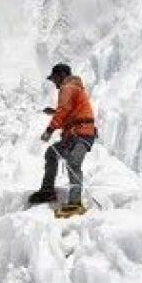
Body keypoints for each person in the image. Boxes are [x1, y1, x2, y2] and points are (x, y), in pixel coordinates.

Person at [29, 63, 97, 217]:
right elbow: (69, 113)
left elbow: (64, 111)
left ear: (61, 75)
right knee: (52, 153)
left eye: (54, 79)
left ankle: (75, 203)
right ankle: (48, 191)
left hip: (82, 134)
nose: (54, 83)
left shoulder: (68, 87)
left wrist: (49, 131)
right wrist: (54, 112)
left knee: (73, 162)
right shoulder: (73, 88)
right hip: (75, 134)